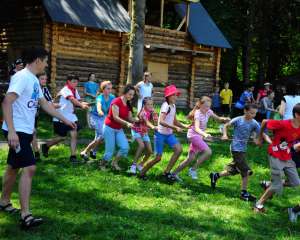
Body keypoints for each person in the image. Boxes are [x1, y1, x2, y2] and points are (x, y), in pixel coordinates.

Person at [0, 47, 76, 229]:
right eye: (46, 61)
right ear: (37, 61)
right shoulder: (22, 77)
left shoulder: (34, 81)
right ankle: (26, 216)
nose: (47, 64)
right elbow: (6, 101)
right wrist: (11, 131)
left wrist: (65, 119)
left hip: (25, 131)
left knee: (13, 167)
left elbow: (44, 104)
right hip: (16, 131)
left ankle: (3, 202)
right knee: (30, 168)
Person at [210, 104, 268, 201]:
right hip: (235, 148)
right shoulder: (238, 120)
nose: (253, 115)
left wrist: (261, 140)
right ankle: (244, 193)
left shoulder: (254, 123)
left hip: (243, 149)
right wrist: (224, 135)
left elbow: (261, 133)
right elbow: (225, 126)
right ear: (245, 111)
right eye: (251, 113)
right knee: (245, 171)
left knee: (234, 170)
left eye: (255, 113)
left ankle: (216, 175)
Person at [253, 103, 300, 213]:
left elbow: (292, 142)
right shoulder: (283, 124)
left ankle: (269, 185)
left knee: (296, 182)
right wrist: (259, 138)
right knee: (277, 185)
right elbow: (264, 122)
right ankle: (258, 205)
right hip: (275, 155)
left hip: (287, 157)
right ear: (297, 115)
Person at [170, 96, 230, 181]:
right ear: (200, 105)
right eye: (206, 106)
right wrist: (205, 134)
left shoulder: (208, 111)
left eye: (209, 106)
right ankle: (193, 169)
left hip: (199, 136)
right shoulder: (197, 113)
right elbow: (197, 128)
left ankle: (173, 173)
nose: (207, 108)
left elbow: (218, 119)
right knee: (208, 152)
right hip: (193, 135)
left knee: (190, 158)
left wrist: (225, 119)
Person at [139, 85, 189, 180]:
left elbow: (175, 121)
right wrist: (175, 128)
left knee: (179, 149)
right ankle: (142, 172)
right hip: (160, 134)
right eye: (173, 95)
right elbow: (161, 121)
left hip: (169, 134)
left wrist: (185, 126)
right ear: (168, 96)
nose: (175, 97)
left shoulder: (173, 106)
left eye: (176, 95)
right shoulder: (165, 106)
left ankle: (166, 172)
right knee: (158, 158)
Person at [41, 75, 90, 163]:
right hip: (60, 116)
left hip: (71, 116)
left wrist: (84, 103)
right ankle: (46, 146)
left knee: (73, 134)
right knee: (62, 137)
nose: (76, 83)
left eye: (77, 82)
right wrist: (81, 105)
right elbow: (72, 100)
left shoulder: (74, 90)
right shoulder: (65, 90)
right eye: (74, 81)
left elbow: (77, 101)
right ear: (68, 81)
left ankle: (73, 157)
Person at [100, 84, 137, 170]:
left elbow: (130, 118)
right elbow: (115, 117)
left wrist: (139, 120)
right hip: (109, 127)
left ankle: (114, 163)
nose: (131, 96)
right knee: (110, 151)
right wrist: (127, 124)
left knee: (125, 148)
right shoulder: (116, 101)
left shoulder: (128, 104)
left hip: (118, 128)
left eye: (132, 95)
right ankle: (102, 164)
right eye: (130, 94)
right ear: (124, 93)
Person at [80, 81, 115, 161]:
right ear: (103, 89)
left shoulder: (112, 97)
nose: (110, 90)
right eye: (108, 89)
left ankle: (92, 151)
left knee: (99, 136)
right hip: (95, 117)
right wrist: (100, 111)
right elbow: (99, 106)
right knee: (102, 135)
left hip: (104, 117)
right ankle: (85, 151)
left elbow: (115, 105)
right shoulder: (99, 97)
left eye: (111, 89)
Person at [31, 72, 60, 161]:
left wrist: (60, 104)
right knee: (31, 132)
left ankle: (36, 154)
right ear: (37, 79)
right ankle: (33, 153)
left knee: (33, 133)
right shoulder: (32, 87)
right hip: (26, 113)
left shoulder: (45, 89)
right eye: (42, 79)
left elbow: (50, 103)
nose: (44, 81)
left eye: (45, 79)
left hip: (35, 114)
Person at [128, 97, 158, 174]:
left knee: (150, 151)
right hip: (136, 130)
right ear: (144, 105)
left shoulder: (151, 112)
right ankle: (133, 166)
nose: (150, 106)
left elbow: (155, 121)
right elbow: (147, 122)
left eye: (151, 104)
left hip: (144, 132)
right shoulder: (142, 112)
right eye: (148, 104)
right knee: (141, 146)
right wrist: (153, 127)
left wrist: (155, 117)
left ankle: (140, 164)